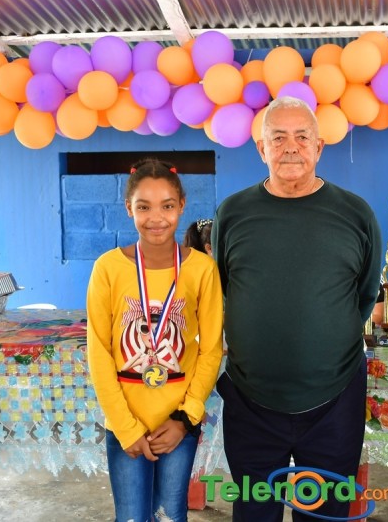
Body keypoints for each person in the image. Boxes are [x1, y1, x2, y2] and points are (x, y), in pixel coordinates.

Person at [211, 96, 382, 521]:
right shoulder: (232, 213)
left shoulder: (356, 214)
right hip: (250, 401)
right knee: (253, 512)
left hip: (334, 401)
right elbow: (224, 290)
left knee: (323, 514)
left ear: (319, 147)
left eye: (302, 137)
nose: (291, 147)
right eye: (278, 137)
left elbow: (363, 296)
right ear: (261, 148)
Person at [86, 158, 223, 522]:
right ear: (128, 208)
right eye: (144, 207)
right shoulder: (108, 269)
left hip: (177, 423)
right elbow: (99, 352)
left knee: (171, 515)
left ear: (182, 206)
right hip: (125, 423)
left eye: (167, 206)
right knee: (132, 516)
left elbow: (211, 349)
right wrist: (125, 426)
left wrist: (186, 417)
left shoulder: (202, 269)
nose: (156, 218)